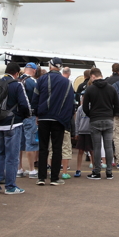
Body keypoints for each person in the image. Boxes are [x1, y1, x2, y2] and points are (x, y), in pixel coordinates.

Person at [0, 62, 30, 195]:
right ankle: (10, 186)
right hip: (13, 123)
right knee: (12, 156)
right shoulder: (17, 85)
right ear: (17, 73)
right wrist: (24, 116)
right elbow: (25, 104)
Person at [33, 56, 73, 186]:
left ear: (50, 66)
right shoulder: (66, 82)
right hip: (59, 119)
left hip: (44, 117)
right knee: (57, 148)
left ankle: (41, 177)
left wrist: (36, 114)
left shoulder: (42, 79)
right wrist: (66, 119)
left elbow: (35, 98)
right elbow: (70, 103)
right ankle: (55, 177)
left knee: (43, 147)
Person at [82, 68, 118, 179]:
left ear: (93, 76)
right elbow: (117, 106)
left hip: (95, 119)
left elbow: (84, 107)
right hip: (108, 119)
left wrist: (91, 114)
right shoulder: (111, 88)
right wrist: (111, 115)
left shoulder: (90, 89)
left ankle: (96, 171)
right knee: (108, 147)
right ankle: (109, 172)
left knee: (96, 147)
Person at [18, 62, 40, 179]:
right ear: (34, 71)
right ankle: (32, 169)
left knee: (19, 144)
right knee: (30, 142)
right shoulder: (33, 82)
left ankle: (19, 168)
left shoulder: (17, 81)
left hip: (17, 117)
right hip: (30, 116)